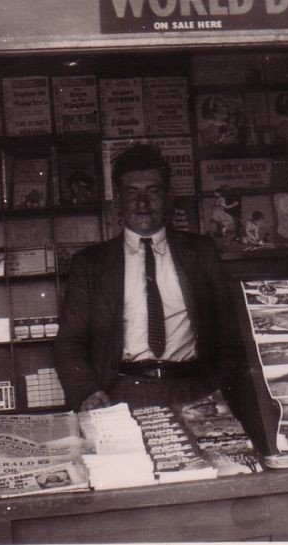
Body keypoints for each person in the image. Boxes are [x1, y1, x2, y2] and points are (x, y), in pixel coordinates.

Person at [55, 144, 243, 411]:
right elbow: (70, 341)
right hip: (121, 394)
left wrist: (217, 388)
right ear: (118, 200)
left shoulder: (201, 252)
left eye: (152, 191)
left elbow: (228, 335)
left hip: (195, 392)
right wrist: (89, 391)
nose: (142, 203)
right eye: (132, 192)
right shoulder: (90, 264)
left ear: (169, 197)